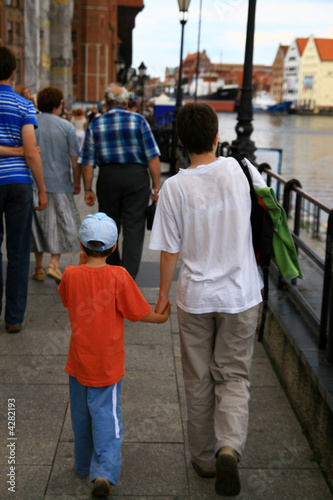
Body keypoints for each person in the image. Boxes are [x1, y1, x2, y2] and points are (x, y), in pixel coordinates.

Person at [149, 102, 267, 497]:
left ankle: (202, 459)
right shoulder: (242, 169)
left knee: (198, 380)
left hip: (196, 297)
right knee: (233, 376)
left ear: (181, 142)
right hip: (241, 294)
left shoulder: (174, 188)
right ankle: (228, 448)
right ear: (217, 137)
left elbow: (168, 251)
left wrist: (162, 297)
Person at [58, 212, 171, 498]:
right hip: (106, 365)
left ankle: (83, 465)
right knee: (107, 417)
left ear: (82, 247)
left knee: (81, 416)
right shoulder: (118, 276)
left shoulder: (70, 274)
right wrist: (160, 318)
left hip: (77, 363)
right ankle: (104, 473)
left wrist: (83, 261)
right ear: (112, 247)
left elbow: (65, 297)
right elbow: (138, 312)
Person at [79, 84, 161, 279]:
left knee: (109, 225)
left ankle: (112, 272)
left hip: (108, 177)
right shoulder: (139, 121)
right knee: (134, 228)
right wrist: (155, 186)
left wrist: (88, 189)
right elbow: (153, 158)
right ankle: (128, 277)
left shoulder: (96, 124)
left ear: (106, 102)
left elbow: (88, 162)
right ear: (126, 102)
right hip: (136, 177)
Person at [0, 47, 48, 334]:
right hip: (18, 183)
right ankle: (14, 318)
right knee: (19, 252)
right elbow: (31, 153)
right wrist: (42, 189)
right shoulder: (23, 105)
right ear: (14, 73)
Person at [31, 86, 81, 284]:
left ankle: (38, 268)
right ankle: (54, 263)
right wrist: (77, 182)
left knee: (38, 226)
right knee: (60, 225)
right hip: (60, 182)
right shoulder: (66, 126)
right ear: (57, 105)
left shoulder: (31, 123)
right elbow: (74, 159)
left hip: (34, 182)